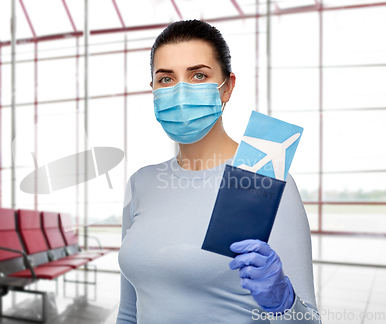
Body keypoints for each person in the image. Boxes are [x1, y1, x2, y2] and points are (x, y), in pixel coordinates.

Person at [116, 20, 322, 323]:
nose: (181, 91)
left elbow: (309, 321)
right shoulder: (142, 183)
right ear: (153, 90)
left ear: (227, 87)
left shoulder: (261, 179)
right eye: (166, 79)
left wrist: (284, 302)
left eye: (198, 75)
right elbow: (128, 312)